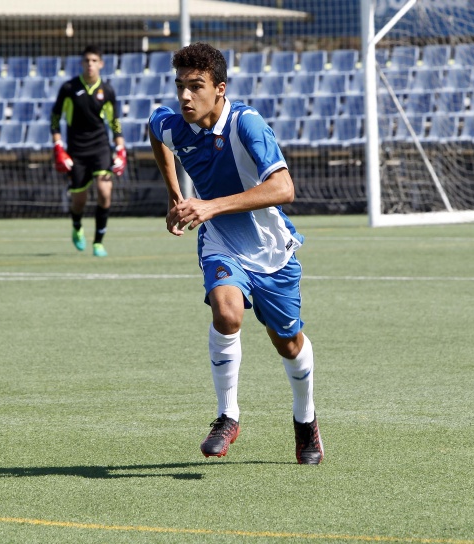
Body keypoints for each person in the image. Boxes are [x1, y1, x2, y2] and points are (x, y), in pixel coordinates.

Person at [148, 42, 323, 465]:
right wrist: (175, 198)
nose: (185, 97)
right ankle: (228, 415)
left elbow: (284, 189)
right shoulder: (175, 125)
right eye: (180, 87)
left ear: (220, 89)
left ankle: (306, 420)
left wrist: (209, 204)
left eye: (196, 86)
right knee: (226, 313)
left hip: (271, 250)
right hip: (221, 242)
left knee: (289, 343)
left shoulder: (247, 124)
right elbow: (155, 130)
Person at [51, 45, 126, 258]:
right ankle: (76, 226)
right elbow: (55, 119)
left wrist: (120, 148)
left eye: (94, 60)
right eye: (87, 61)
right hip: (76, 150)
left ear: (101, 64)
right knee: (79, 200)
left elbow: (114, 122)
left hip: (100, 147)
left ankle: (98, 242)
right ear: (82, 63)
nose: (90, 64)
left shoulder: (107, 90)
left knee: (105, 191)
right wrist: (59, 147)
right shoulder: (69, 88)